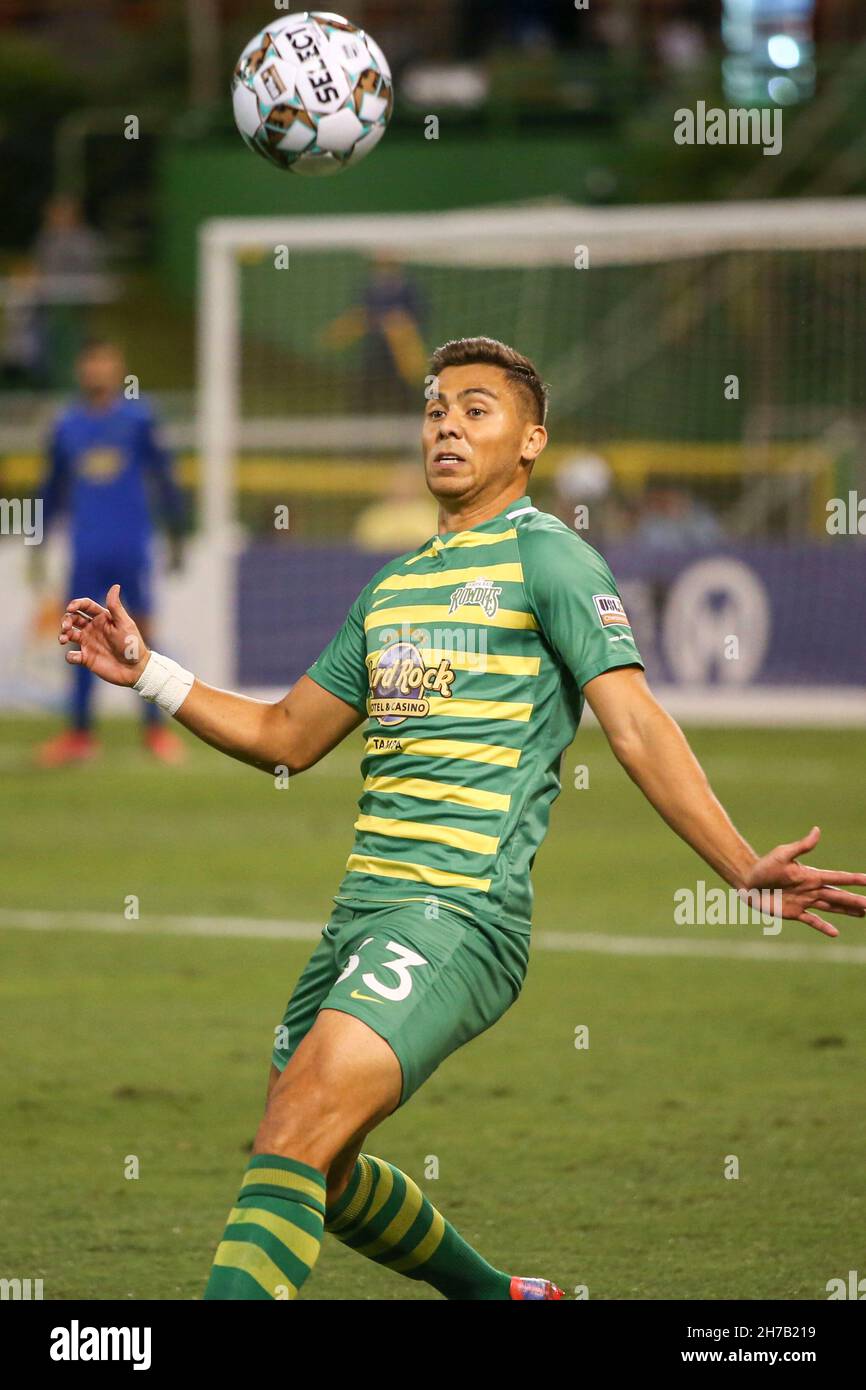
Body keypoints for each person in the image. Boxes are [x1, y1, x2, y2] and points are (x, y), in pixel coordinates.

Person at [54, 336, 866, 1301]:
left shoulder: (551, 559)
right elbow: (285, 736)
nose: (447, 422)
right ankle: (498, 1297)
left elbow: (637, 721)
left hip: (459, 913)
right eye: (437, 407)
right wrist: (150, 672)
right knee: (323, 1165)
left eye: (477, 409)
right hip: (361, 914)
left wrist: (738, 866)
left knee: (296, 1125)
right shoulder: (392, 589)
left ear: (531, 441)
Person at [36, 339, 187, 766]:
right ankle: (80, 733)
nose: (99, 369)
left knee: (140, 635)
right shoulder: (66, 425)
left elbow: (165, 477)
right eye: (92, 361)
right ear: (82, 369)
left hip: (130, 547)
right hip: (87, 549)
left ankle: (154, 731)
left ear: (118, 368)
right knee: (80, 634)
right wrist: (36, 540)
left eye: (106, 361)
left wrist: (177, 533)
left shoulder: (139, 419)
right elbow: (50, 489)